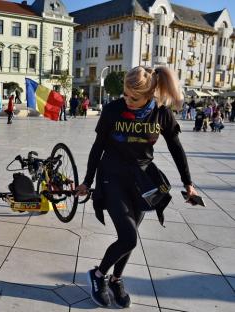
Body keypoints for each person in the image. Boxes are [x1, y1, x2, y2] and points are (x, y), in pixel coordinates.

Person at [76, 66, 198, 308]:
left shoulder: (161, 113)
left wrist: (188, 183)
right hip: (112, 176)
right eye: (125, 94)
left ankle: (116, 279)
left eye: (134, 97)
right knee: (129, 237)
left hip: (142, 180)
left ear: (150, 94)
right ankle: (98, 275)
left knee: (130, 235)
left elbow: (176, 148)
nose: (127, 101)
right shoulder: (112, 110)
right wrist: (87, 181)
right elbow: (97, 147)